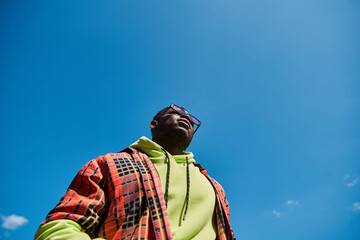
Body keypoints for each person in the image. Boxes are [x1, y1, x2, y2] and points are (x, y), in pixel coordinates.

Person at [34, 104, 235, 240]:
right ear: (153, 124)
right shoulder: (109, 163)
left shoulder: (214, 186)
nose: (185, 118)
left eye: (191, 119)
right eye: (177, 112)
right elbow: (62, 225)